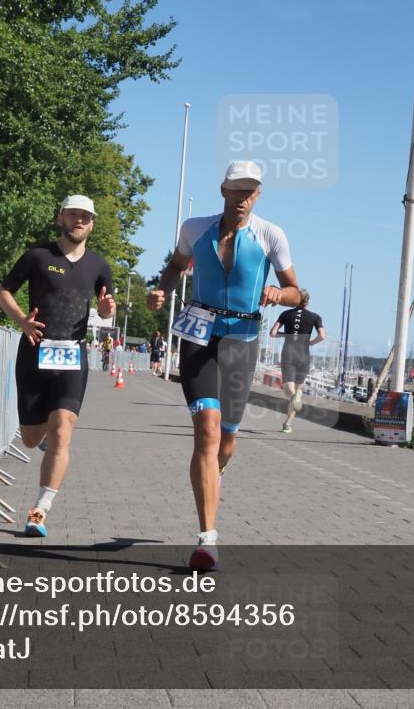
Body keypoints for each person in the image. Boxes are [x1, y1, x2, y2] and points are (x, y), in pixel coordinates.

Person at [147, 160, 300, 571]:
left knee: (226, 442)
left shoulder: (270, 234)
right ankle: (207, 540)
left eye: (250, 191)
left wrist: (277, 293)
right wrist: (161, 292)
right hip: (198, 337)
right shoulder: (194, 228)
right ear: (223, 190)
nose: (243, 198)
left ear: (259, 195)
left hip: (241, 342)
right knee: (207, 429)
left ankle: (214, 477)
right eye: (236, 190)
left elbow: (298, 293)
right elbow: (177, 266)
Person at [0, 194, 115, 538]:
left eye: (86, 217)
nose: (80, 221)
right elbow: (3, 292)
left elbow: (108, 309)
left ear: (92, 224)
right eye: (74, 214)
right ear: (60, 217)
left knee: (63, 429)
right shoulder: (38, 256)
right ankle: (43, 440)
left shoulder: (99, 266)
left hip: (73, 356)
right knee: (32, 439)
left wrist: (107, 310)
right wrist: (22, 320)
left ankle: (39, 511)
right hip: (34, 351)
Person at [270, 289, 326, 433]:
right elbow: (322, 335)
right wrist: (312, 342)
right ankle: (288, 423)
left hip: (288, 355)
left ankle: (295, 400)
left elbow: (273, 333)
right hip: (304, 356)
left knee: (290, 392)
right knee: (296, 393)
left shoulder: (286, 314)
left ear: (295, 300)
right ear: (308, 301)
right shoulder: (315, 317)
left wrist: (286, 335)